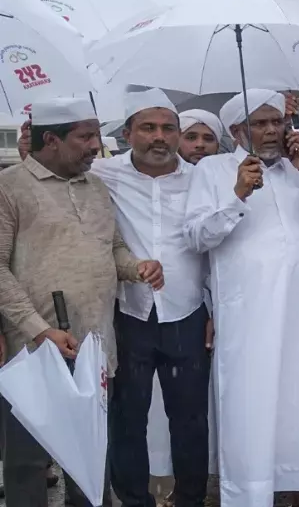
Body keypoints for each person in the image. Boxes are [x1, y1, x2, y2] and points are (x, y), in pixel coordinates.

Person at [0, 97, 162, 507]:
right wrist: (40, 330)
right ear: (50, 139)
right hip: (34, 349)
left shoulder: (96, 187)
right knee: (28, 462)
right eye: (85, 136)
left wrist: (137, 267)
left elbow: (114, 248)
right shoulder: (10, 187)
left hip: (94, 344)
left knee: (90, 459)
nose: (96, 145)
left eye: (95, 134)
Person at [185, 89, 299, 507]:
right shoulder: (212, 170)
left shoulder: (291, 170)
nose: (271, 130)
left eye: (276, 122)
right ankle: (249, 494)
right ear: (236, 131)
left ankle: (297, 483)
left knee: (298, 395)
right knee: (250, 400)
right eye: (260, 123)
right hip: (248, 311)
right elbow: (196, 236)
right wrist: (238, 195)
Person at [92, 90, 210, 507]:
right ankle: (134, 500)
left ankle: (190, 498)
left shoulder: (202, 178)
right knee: (127, 419)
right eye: (148, 127)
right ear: (127, 133)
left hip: (188, 313)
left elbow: (215, 249)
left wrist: (213, 307)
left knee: (191, 420)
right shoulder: (102, 174)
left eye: (167, 128)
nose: (159, 137)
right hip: (129, 313)